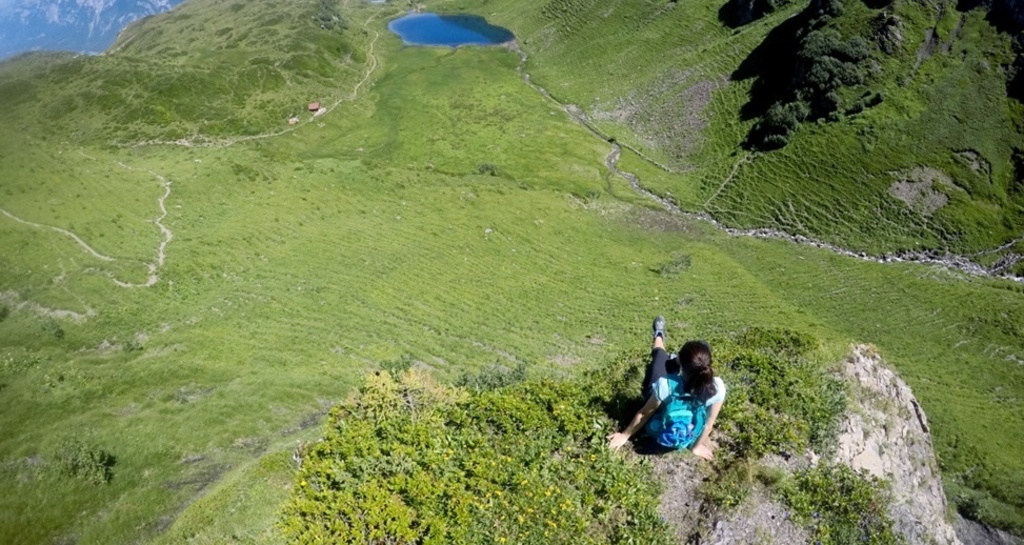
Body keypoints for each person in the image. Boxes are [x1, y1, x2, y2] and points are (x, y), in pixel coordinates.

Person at [607, 316, 725, 460]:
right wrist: (696, 447)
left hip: (659, 428)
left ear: (682, 363)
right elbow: (708, 424)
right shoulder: (718, 387)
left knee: (660, 357)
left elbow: (644, 414)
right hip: (685, 431)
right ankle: (670, 354)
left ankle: (659, 335)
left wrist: (625, 435)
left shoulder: (665, 384)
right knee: (668, 364)